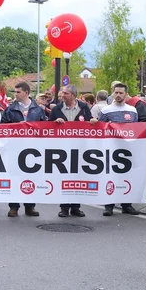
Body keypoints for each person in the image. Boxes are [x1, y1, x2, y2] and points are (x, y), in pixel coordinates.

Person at [96, 83, 140, 216]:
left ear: (126, 94)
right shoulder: (106, 110)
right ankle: (108, 206)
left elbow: (136, 128)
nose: (119, 95)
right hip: (111, 150)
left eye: (121, 93)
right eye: (116, 93)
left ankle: (127, 205)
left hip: (127, 150)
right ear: (112, 93)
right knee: (110, 176)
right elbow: (100, 128)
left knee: (127, 177)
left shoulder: (133, 110)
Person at [48, 85, 92, 217]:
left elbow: (90, 123)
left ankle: (76, 207)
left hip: (80, 148)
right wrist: (55, 122)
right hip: (62, 149)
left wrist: (93, 122)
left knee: (78, 177)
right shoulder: (57, 109)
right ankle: (64, 207)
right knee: (64, 178)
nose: (62, 96)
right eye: (62, 94)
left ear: (73, 95)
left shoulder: (83, 108)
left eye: (65, 94)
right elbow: (48, 126)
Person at [2, 82, 45, 217]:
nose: (15, 94)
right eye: (15, 92)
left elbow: (44, 128)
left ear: (26, 92)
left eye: (18, 92)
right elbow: (3, 127)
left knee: (31, 177)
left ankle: (30, 206)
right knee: (14, 177)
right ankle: (13, 206)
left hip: (32, 149)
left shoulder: (38, 109)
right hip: (15, 148)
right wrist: (16, 126)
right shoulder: (10, 109)